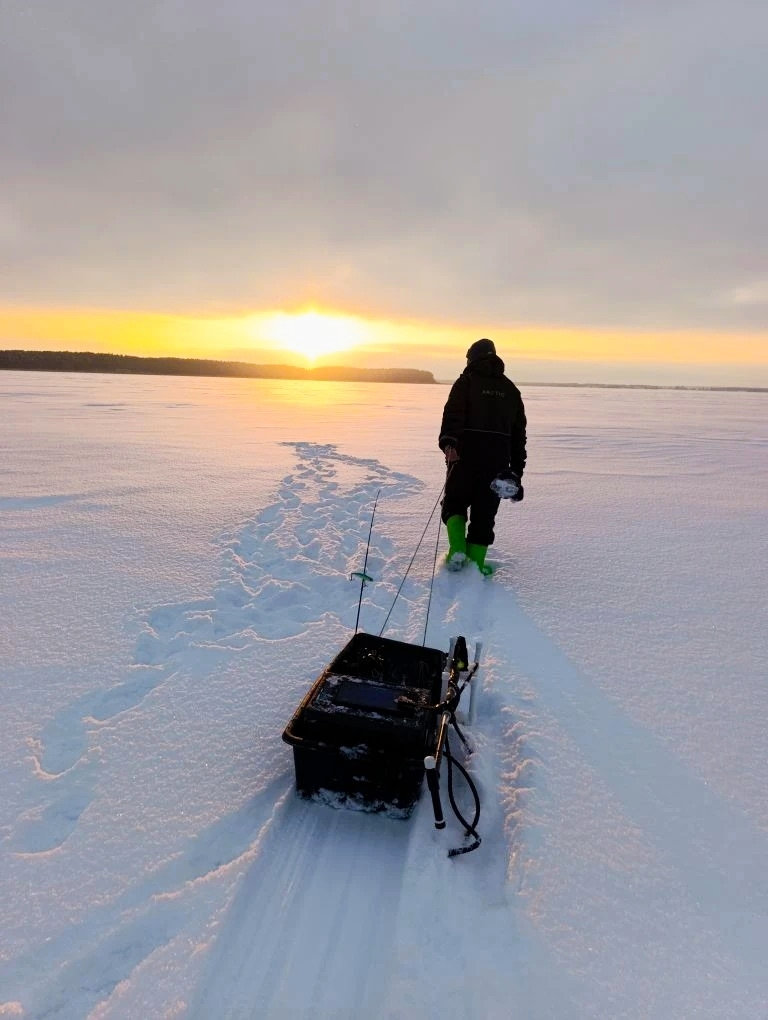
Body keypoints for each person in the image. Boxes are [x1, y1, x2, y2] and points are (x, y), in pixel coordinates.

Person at [438, 338, 527, 574]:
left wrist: (449, 443)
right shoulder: (511, 390)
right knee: (484, 513)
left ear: (472, 358)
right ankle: (475, 566)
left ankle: (457, 549)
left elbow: (452, 416)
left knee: (455, 503)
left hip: (463, 457)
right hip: (497, 463)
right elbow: (519, 436)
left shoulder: (465, 382)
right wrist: (516, 471)